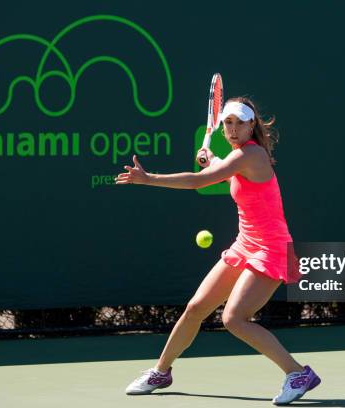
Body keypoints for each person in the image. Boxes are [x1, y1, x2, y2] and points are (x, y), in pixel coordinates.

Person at [115, 97, 321, 405]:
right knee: (196, 308)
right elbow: (222, 171)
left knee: (234, 318)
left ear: (253, 125)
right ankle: (161, 372)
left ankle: (297, 373)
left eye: (240, 122)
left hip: (271, 247)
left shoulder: (251, 154)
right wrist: (211, 158)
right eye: (228, 123)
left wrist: (148, 179)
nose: (233, 129)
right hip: (245, 243)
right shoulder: (238, 156)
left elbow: (201, 181)